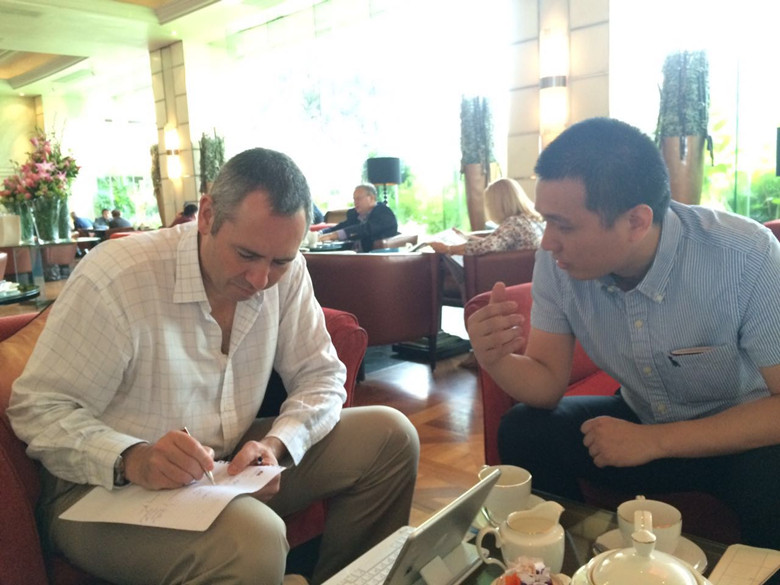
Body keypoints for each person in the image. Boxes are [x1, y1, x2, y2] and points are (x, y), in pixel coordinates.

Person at [8, 147, 420, 585]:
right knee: (254, 541)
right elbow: (38, 409)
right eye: (246, 254)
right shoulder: (118, 276)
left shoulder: (288, 273)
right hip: (99, 489)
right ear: (207, 215)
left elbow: (322, 375)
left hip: (222, 465)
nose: (261, 280)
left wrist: (276, 445)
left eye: (280, 261)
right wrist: (134, 458)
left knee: (392, 437)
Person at [466, 117, 780, 549]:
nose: (547, 242)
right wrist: (495, 357)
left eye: (564, 225)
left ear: (636, 221)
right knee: (525, 428)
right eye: (546, 221)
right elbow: (545, 385)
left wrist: (656, 441)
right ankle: (563, 562)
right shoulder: (557, 266)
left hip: (735, 438)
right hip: (639, 416)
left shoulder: (745, 256)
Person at [428, 177, 544, 257]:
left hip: (513, 272)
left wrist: (448, 249)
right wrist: (467, 237)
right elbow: (497, 242)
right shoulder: (528, 219)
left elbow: (488, 246)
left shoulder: (514, 223)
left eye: (489, 204)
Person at [318, 183, 398, 252]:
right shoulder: (354, 214)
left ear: (371, 198)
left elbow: (365, 229)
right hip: (352, 255)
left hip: (375, 258)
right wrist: (320, 233)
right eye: (354, 199)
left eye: (358, 199)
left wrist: (335, 235)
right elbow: (341, 226)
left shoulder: (384, 212)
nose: (355, 202)